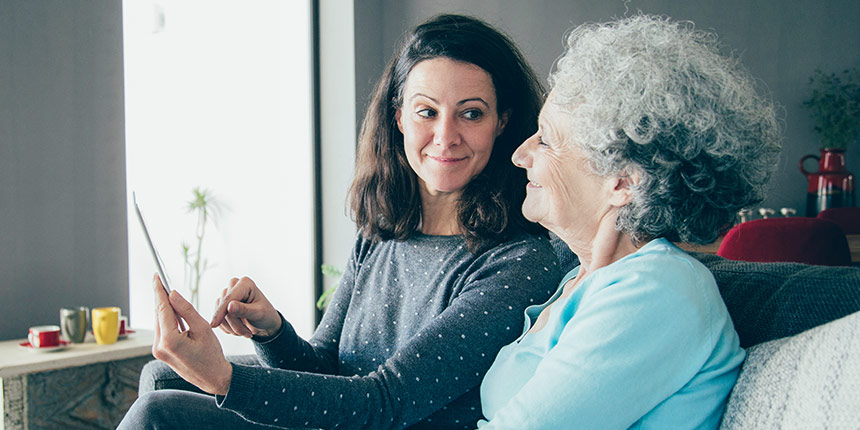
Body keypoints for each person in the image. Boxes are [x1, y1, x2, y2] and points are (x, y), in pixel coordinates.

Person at [118, 14, 562, 430]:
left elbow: (384, 402)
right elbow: (328, 365)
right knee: (162, 376)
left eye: (471, 113)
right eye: (427, 111)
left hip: (381, 417)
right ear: (399, 118)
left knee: (159, 413)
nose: (445, 136)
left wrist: (224, 379)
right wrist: (271, 331)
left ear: (502, 122)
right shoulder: (382, 233)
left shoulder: (517, 262)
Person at [478, 14, 781, 429]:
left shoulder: (657, 289)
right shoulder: (583, 280)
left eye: (545, 138)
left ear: (621, 182)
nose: (520, 155)